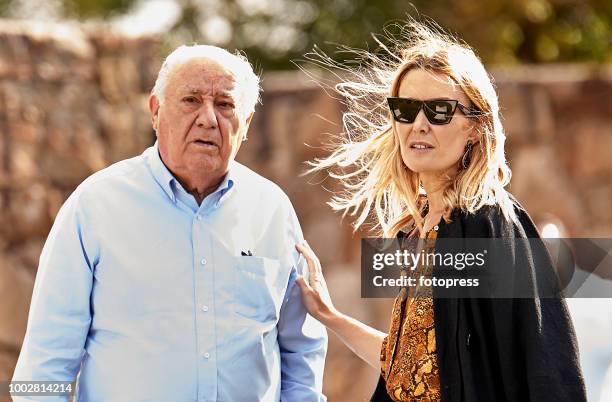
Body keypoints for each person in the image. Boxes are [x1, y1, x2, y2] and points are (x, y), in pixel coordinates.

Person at [12, 45, 327, 402]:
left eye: (225, 105)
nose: (209, 118)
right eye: (191, 100)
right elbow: (43, 365)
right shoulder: (94, 206)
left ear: (247, 123)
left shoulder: (273, 210)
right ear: (155, 111)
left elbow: (302, 350)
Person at [295, 21, 587, 402]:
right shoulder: (421, 228)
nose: (418, 124)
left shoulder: (487, 222)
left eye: (439, 111)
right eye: (406, 109)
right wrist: (329, 316)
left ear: (474, 127)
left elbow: (544, 362)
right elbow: (415, 369)